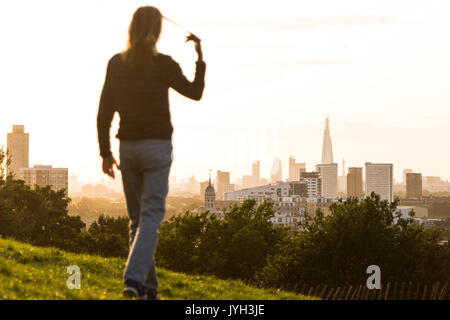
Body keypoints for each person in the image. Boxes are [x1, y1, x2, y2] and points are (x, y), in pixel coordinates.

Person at [96, 6, 206, 300]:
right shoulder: (164, 64)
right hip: (156, 148)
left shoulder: (116, 64)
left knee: (138, 220)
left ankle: (149, 291)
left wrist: (105, 152)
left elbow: (104, 111)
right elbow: (195, 93)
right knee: (151, 218)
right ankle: (133, 279)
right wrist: (199, 56)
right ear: (157, 31)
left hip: (128, 148)